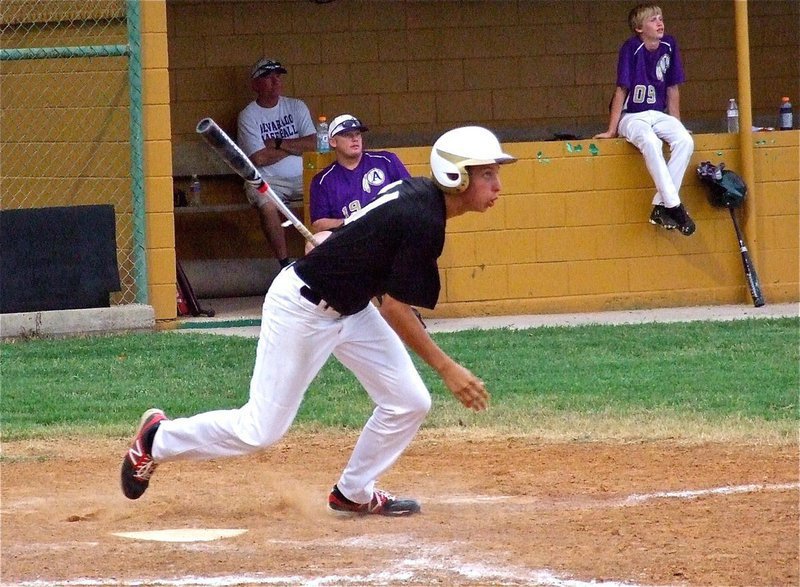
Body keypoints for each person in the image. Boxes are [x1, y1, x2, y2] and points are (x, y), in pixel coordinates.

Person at [121, 126, 516, 517]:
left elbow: (372, 243)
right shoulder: (424, 218)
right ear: (457, 175)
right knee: (260, 430)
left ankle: (353, 492)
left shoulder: (421, 200)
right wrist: (447, 368)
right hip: (303, 307)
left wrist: (339, 247)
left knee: (408, 401)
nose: (497, 185)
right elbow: (395, 309)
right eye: (486, 174)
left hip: (352, 307)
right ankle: (157, 439)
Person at [594, 2, 696, 236]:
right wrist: (612, 129)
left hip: (658, 113)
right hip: (632, 116)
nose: (660, 22)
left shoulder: (670, 45)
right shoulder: (631, 48)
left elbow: (672, 88)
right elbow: (621, 89)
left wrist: (677, 123)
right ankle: (676, 208)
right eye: (653, 19)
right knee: (651, 142)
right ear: (639, 28)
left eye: (661, 18)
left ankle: (662, 206)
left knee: (685, 141)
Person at [237, 58, 317, 267]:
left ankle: (323, 259)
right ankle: (285, 265)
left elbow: (314, 144)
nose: (275, 81)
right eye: (268, 77)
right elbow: (259, 158)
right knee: (267, 205)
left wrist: (278, 143)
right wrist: (294, 147)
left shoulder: (296, 106)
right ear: (255, 85)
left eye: (278, 76)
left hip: (304, 177)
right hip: (269, 180)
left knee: (329, 193)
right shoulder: (248, 115)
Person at [309, 114, 410, 234]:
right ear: (333, 142)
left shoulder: (386, 160)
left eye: (357, 134)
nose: (355, 139)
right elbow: (317, 225)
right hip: (351, 237)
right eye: (347, 135)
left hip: (391, 228)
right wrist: (351, 222)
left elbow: (411, 194)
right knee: (316, 241)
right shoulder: (323, 180)